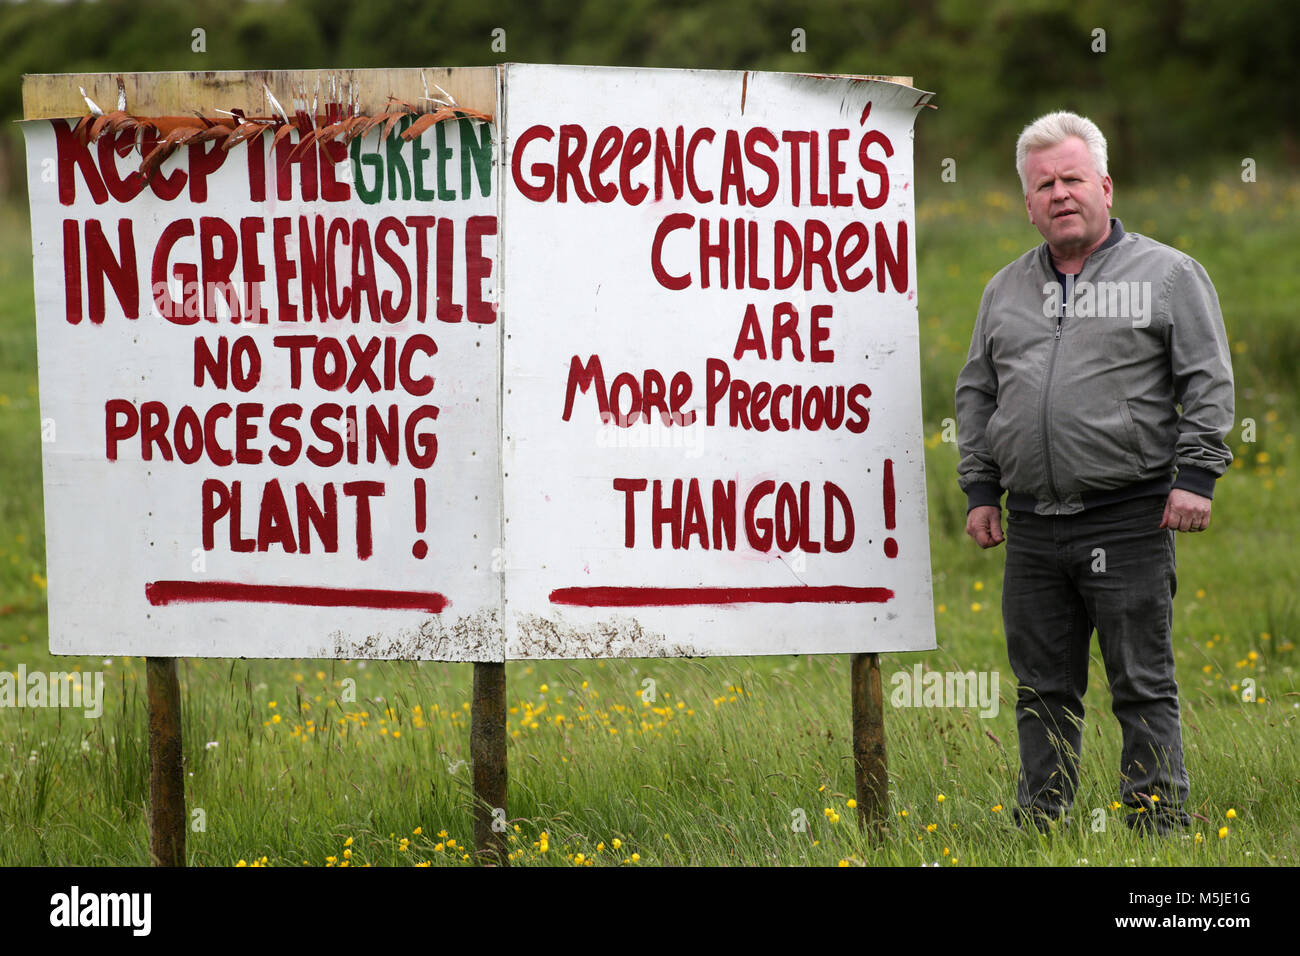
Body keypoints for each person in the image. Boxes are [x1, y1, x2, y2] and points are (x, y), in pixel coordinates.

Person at [953, 111, 1234, 834]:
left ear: (1105, 185)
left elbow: (1207, 380)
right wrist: (981, 489)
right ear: (1027, 203)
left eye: (1073, 178)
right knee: (1041, 689)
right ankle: (1039, 823)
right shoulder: (1003, 290)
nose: (1060, 193)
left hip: (1131, 514)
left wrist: (1197, 476)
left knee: (1141, 684)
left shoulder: (1168, 274)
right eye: (1043, 184)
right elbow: (977, 393)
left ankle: (1159, 825)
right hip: (1033, 526)